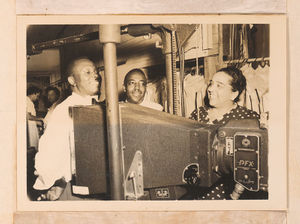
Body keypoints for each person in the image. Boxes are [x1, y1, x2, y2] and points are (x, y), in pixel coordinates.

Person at [33, 57, 101, 201]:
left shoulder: (97, 106)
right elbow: (49, 153)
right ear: (72, 81)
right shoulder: (64, 110)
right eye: (87, 72)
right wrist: (58, 183)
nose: (95, 75)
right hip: (72, 187)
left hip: (98, 185)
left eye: (95, 71)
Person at [189, 67, 260, 200]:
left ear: (234, 94)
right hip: (194, 191)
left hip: (226, 195)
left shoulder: (247, 119)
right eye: (211, 83)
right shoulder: (198, 113)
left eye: (219, 86)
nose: (210, 89)